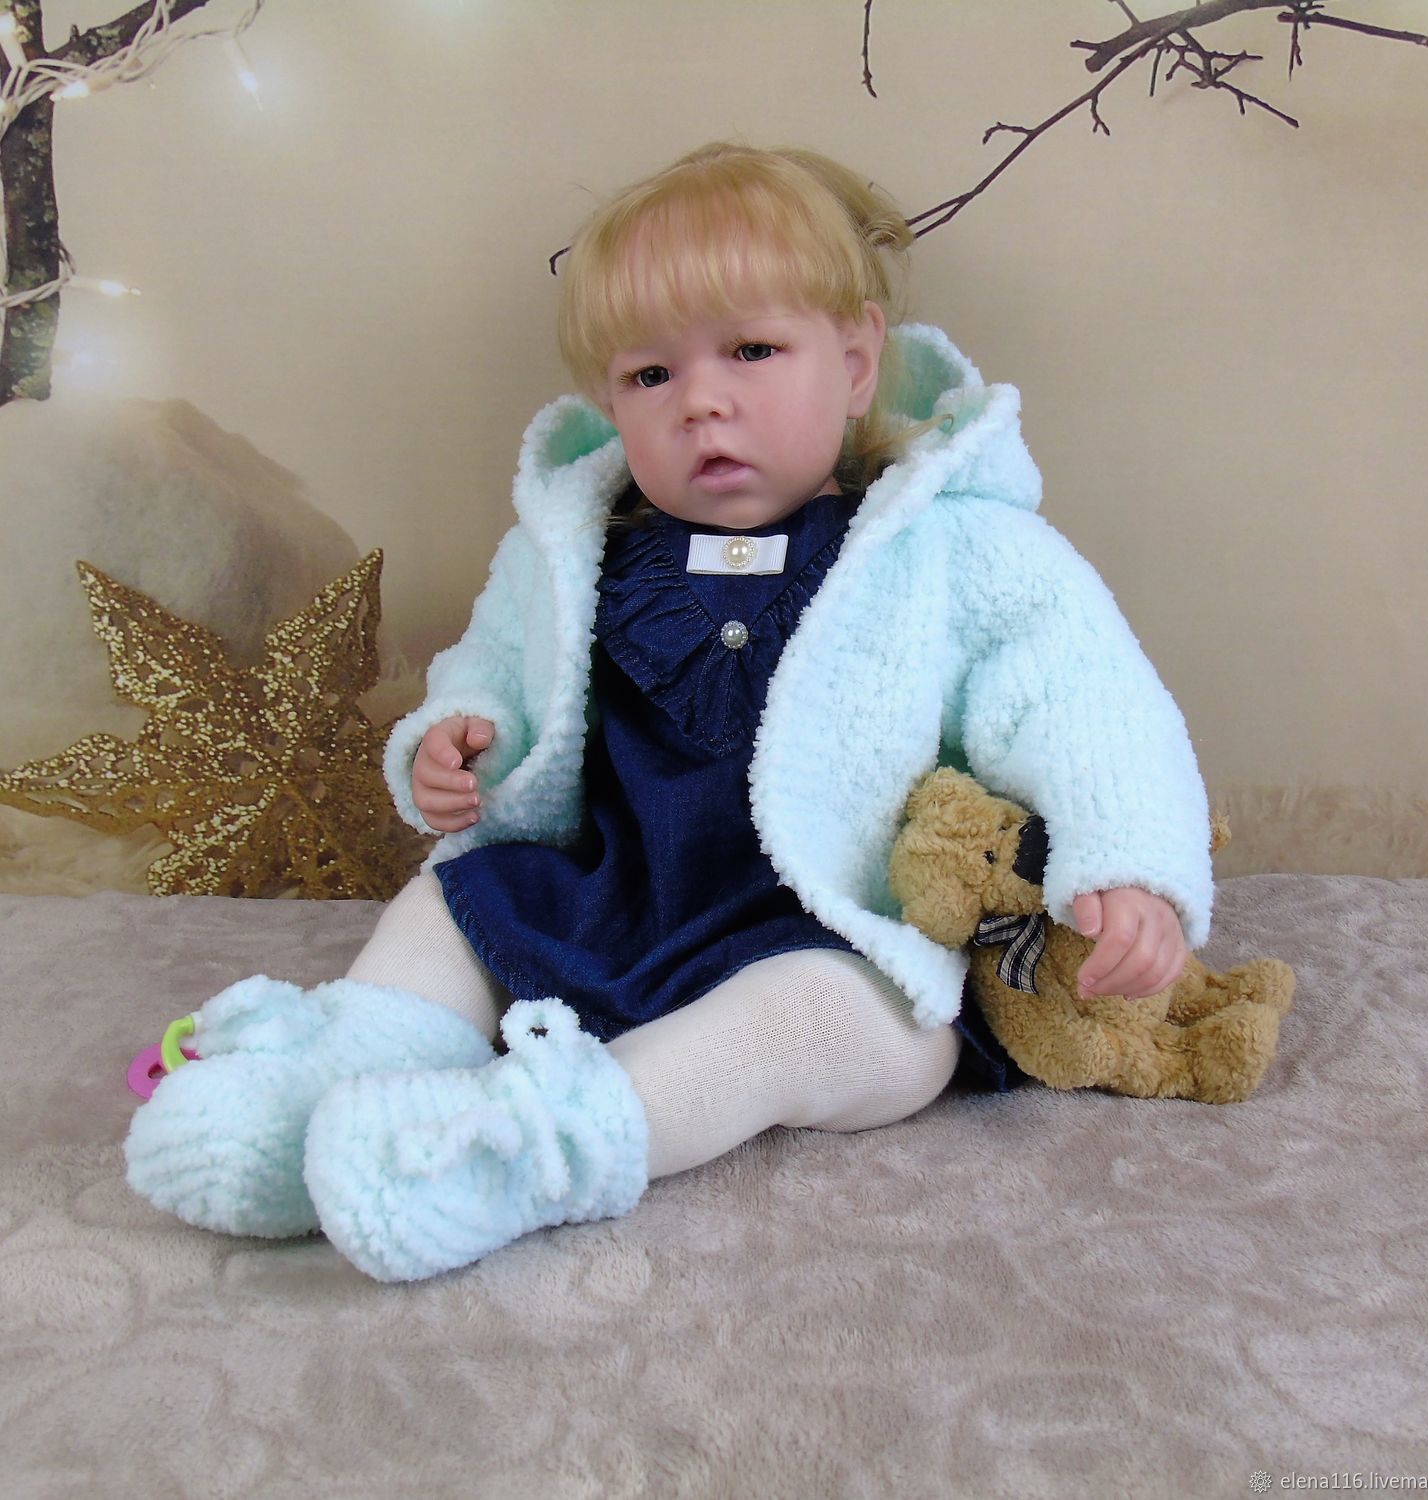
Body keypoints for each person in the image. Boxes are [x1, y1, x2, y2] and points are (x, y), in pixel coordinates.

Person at [125, 141, 1213, 1283]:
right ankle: (327, 1084)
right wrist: (459, 739)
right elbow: (494, 666)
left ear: (854, 364)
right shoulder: (576, 547)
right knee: (450, 904)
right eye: (651, 375)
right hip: (616, 890)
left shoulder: (951, 545)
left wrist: (1128, 863)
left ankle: (531, 1145)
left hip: (831, 925)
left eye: (752, 351)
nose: (702, 401)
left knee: (863, 1032)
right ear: (611, 402)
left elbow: (1084, 699)